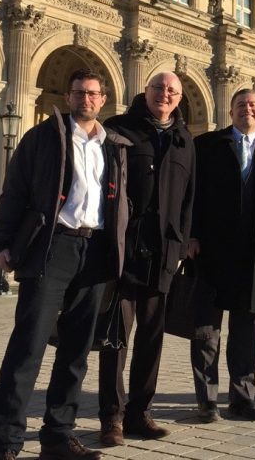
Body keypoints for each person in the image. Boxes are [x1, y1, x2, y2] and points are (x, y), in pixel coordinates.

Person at [0, 69, 130, 460]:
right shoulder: (42, 137)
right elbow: (14, 189)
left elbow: (118, 204)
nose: (86, 98)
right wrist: (0, 242)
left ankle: (58, 436)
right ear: (68, 97)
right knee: (28, 345)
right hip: (53, 247)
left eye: (93, 94)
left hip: (95, 250)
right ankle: (5, 442)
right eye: (79, 92)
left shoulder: (114, 145)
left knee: (77, 351)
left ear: (104, 100)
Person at [97, 72, 195, 447]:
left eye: (171, 90)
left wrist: (182, 244)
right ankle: (112, 416)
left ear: (178, 97)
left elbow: (190, 199)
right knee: (115, 337)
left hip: (163, 252)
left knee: (152, 338)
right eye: (158, 88)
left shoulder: (185, 140)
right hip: (123, 249)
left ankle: (140, 411)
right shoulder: (118, 128)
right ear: (146, 91)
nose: (164, 95)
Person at [187, 89, 255, 423]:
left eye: (253, 106)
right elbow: (194, 195)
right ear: (230, 111)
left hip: (253, 253)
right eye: (241, 104)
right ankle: (207, 400)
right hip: (212, 250)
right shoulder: (207, 145)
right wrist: (192, 235)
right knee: (206, 330)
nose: (247, 109)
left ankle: (243, 397)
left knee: (246, 329)